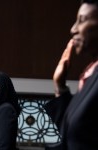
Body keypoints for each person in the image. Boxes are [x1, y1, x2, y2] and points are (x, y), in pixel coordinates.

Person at [44, 0, 98, 149]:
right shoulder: (91, 74)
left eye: (82, 20)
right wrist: (59, 86)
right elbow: (75, 133)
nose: (73, 29)